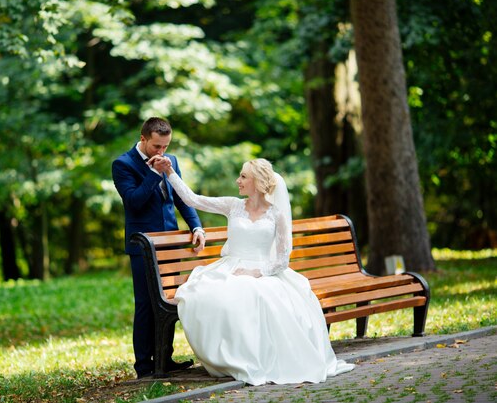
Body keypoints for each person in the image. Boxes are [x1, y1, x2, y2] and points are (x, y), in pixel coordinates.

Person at [164, 158, 355, 386]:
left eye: (243, 176)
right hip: (230, 268)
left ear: (258, 182)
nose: (238, 180)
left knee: (261, 296)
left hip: (264, 270)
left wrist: (257, 272)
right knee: (217, 295)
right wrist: (169, 172)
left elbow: (283, 258)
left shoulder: (277, 215)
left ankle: (258, 361)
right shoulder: (233, 205)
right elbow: (192, 199)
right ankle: (229, 359)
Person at [112, 117, 207, 379]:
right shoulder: (123, 164)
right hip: (142, 245)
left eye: (165, 146)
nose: (161, 152)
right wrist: (155, 173)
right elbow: (134, 202)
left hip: (170, 244)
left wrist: (195, 226)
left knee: (168, 302)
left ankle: (164, 360)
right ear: (143, 139)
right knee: (146, 304)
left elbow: (181, 197)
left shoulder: (171, 160)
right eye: (156, 146)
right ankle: (144, 367)